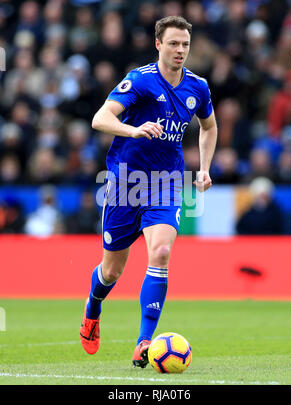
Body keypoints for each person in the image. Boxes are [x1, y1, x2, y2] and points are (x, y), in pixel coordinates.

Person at [80, 16, 218, 368]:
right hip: (126, 185)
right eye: (173, 43)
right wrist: (133, 129)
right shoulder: (140, 81)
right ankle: (93, 309)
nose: (180, 50)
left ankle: (143, 343)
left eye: (185, 44)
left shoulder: (198, 87)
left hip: (167, 184)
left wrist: (203, 168)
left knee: (160, 252)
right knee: (112, 272)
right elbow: (100, 118)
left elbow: (209, 126)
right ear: (159, 44)